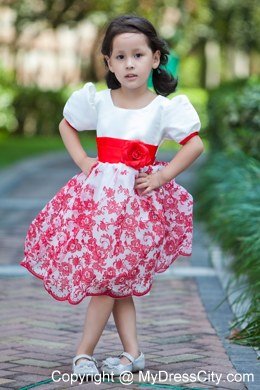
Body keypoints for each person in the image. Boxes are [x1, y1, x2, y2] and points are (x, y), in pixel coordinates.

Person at [20, 14, 204, 380]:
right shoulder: (100, 101)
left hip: (135, 209)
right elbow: (66, 125)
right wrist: (84, 160)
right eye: (119, 57)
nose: (129, 64)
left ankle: (83, 353)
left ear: (155, 58)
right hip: (99, 205)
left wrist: (163, 175)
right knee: (114, 278)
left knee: (109, 278)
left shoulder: (164, 108)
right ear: (108, 62)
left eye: (137, 55)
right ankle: (133, 353)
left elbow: (194, 145)